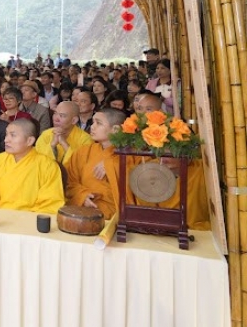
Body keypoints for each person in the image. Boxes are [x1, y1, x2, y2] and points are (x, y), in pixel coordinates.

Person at [129, 92, 210, 229]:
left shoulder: (204, 173)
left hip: (195, 232)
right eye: (161, 148)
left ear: (187, 151)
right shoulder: (149, 169)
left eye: (172, 149)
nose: (165, 155)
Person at [0, 118, 66, 214]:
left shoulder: (47, 166)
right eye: (6, 135)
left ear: (29, 141)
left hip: (29, 223)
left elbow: (50, 205)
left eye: (13, 135)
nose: (6, 140)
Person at [65, 108, 128, 219]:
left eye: (98, 123)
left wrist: (111, 165)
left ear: (115, 129)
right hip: (80, 211)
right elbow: (68, 180)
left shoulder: (129, 155)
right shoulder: (83, 152)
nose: (92, 127)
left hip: (113, 215)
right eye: (93, 122)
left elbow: (138, 183)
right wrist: (82, 196)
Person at [33, 101, 92, 167]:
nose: (56, 119)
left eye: (62, 116)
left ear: (74, 120)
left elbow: (83, 165)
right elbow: (37, 161)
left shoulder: (85, 139)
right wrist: (52, 145)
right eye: (55, 113)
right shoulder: (46, 134)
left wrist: (65, 144)